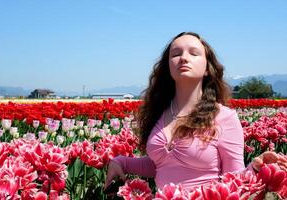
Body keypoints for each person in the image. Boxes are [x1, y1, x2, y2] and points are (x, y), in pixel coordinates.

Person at [104, 32, 286, 192]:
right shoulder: (159, 113)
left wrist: (255, 167)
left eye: (193, 53)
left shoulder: (224, 117)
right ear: (168, 67)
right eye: (175, 54)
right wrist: (121, 162)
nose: (183, 58)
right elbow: (160, 165)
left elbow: (234, 178)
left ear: (207, 68)